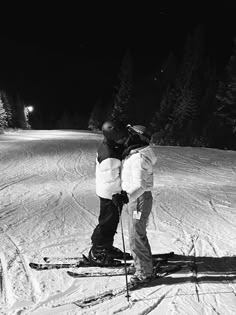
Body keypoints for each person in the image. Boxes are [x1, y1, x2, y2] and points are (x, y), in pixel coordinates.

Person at [112, 124, 157, 285]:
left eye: (130, 134)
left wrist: (126, 197)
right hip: (134, 199)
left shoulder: (139, 157)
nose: (126, 138)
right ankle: (139, 264)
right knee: (133, 234)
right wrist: (124, 194)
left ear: (137, 137)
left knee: (137, 235)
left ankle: (145, 272)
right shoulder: (133, 154)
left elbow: (141, 185)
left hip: (139, 199)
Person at [88, 120, 130, 266]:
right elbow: (110, 179)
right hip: (110, 194)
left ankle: (106, 247)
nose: (124, 139)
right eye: (121, 137)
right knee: (107, 223)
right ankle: (97, 252)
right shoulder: (109, 154)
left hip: (111, 193)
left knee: (112, 222)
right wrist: (117, 194)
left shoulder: (111, 145)